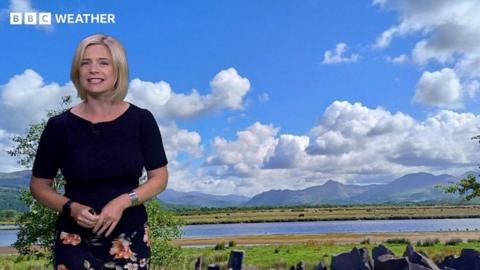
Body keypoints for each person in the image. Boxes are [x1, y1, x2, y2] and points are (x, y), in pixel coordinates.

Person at [30, 33, 168, 270]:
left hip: (130, 238)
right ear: (77, 71)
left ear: (118, 71)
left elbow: (160, 178)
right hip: (73, 241)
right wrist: (71, 207)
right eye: (86, 63)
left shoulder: (141, 120)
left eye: (103, 63)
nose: (93, 69)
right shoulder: (59, 127)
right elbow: (39, 185)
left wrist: (124, 201)